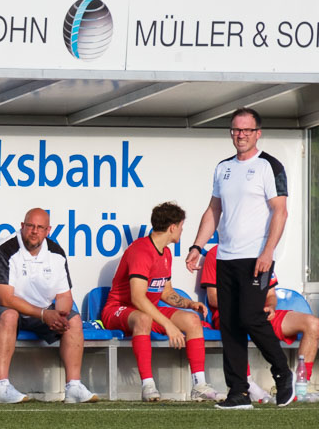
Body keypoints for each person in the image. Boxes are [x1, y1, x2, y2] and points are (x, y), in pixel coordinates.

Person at [186, 107, 295, 409]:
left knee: (250, 318)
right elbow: (213, 211)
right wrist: (198, 246)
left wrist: (268, 252)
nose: (241, 135)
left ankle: (283, 373)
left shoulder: (269, 166)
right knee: (230, 324)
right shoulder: (223, 168)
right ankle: (238, 392)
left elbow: (280, 211)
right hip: (226, 257)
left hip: (256, 257)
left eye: (247, 130)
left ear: (258, 133)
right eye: (236, 130)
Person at [0, 208, 96, 404]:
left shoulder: (56, 253)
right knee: (10, 314)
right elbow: (6, 299)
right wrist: (45, 315)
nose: (34, 231)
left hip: (36, 312)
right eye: (30, 226)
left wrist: (60, 314)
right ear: (22, 226)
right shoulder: (5, 249)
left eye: (40, 227)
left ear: (48, 230)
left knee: (74, 320)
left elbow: (64, 295)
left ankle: (73, 386)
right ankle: (0, 388)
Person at [101, 202, 217, 402]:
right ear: (172, 227)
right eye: (181, 226)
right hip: (118, 310)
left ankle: (199, 385)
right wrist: (168, 325)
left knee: (192, 320)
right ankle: (148, 386)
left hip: (147, 310)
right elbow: (137, 298)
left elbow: (166, 292)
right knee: (144, 318)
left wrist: (189, 304)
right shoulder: (140, 251)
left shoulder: (167, 253)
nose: (182, 231)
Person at [200, 246, 319, 403]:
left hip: (259, 314)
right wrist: (246, 306)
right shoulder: (217, 253)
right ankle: (246, 387)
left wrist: (270, 306)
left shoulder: (262, 253)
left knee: (313, 323)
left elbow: (270, 294)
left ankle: (301, 385)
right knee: (244, 319)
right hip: (233, 314)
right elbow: (214, 298)